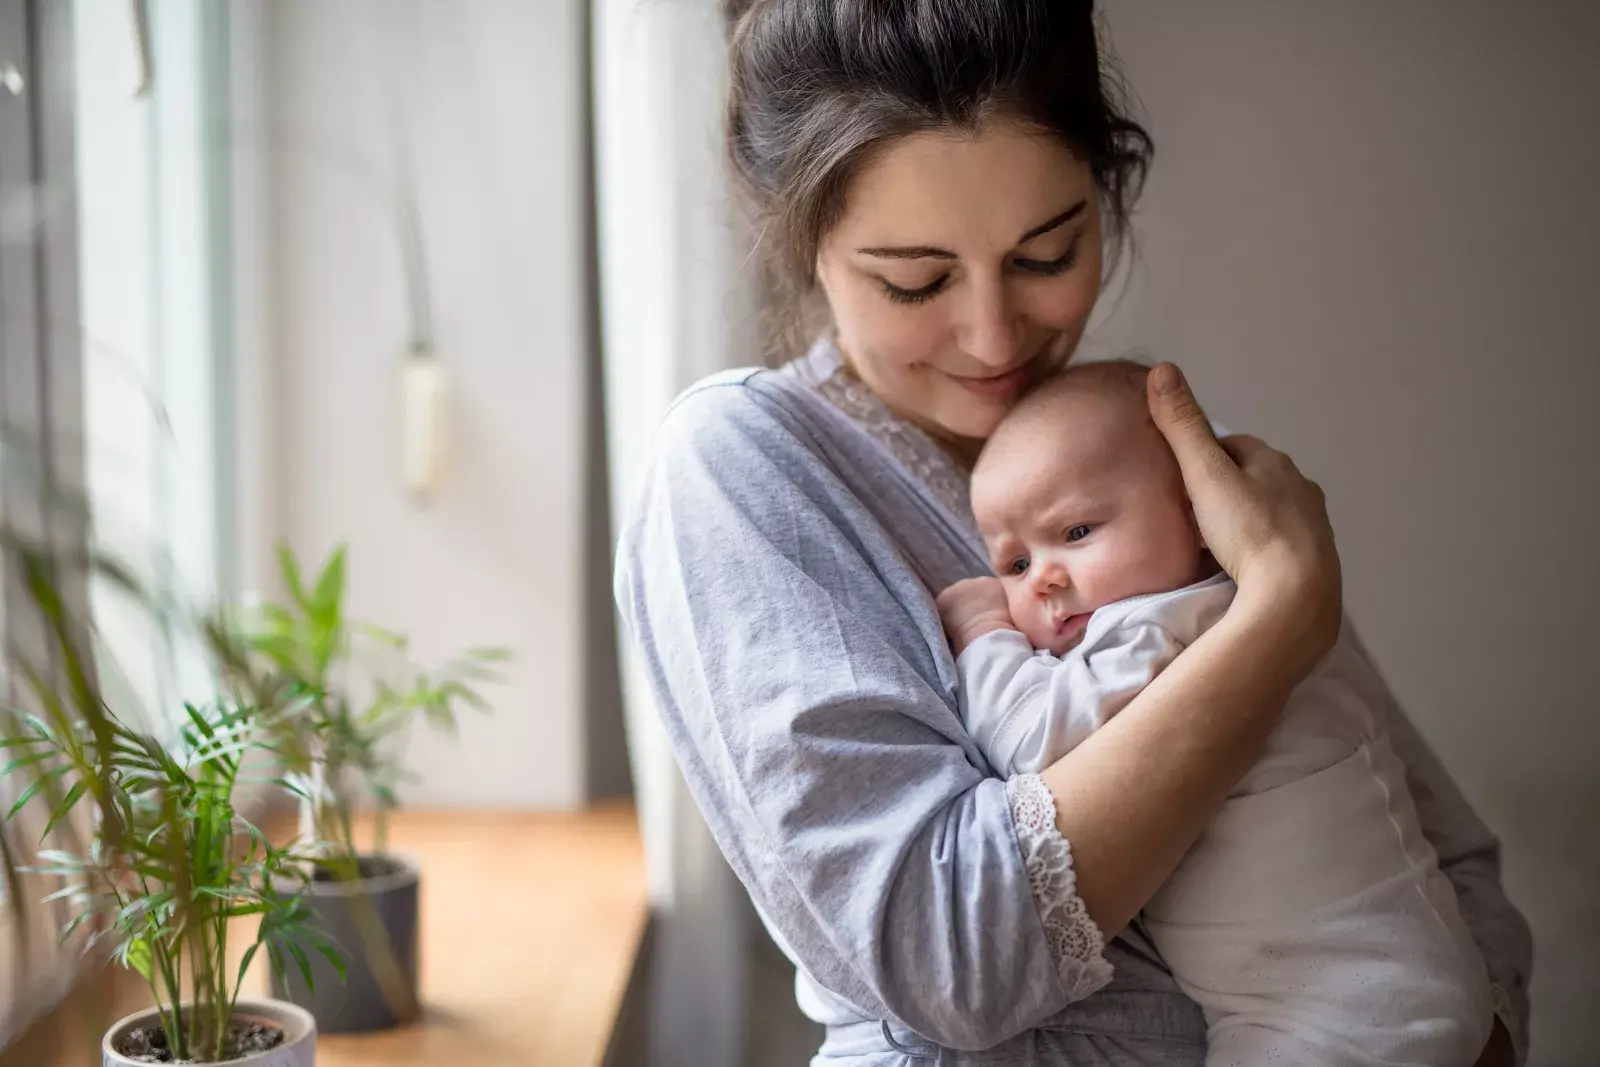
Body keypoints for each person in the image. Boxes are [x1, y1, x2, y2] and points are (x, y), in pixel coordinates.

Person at [614, 2, 1532, 1063]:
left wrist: (1467, 1029)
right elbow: (946, 958)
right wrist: (1275, 617)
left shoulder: (1152, 443)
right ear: (798, 240)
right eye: (914, 280)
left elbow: (1442, 848)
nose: (995, 335)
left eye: (1047, 254)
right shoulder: (739, 465)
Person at [939, 360, 1494, 1065]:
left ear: (1199, 513)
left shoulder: (1167, 625)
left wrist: (985, 634)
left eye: (1077, 530)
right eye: (1013, 564)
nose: (1044, 576)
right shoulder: (1237, 612)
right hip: (1367, 982)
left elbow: (1033, 742)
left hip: (1339, 1002)